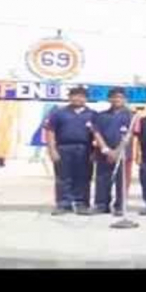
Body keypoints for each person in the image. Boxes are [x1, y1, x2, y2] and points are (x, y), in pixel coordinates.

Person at [45, 87, 97, 216]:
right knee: (63, 177)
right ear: (69, 97)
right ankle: (63, 203)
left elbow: (97, 134)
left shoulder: (93, 114)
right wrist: (52, 149)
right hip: (63, 148)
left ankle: (81, 204)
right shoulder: (59, 113)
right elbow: (50, 131)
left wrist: (95, 152)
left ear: (86, 99)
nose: (77, 99)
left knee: (83, 177)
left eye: (81, 96)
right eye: (74, 96)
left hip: (85, 149)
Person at [90, 87, 133, 216]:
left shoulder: (131, 116)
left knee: (122, 180)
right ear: (109, 99)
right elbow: (96, 132)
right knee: (102, 179)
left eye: (120, 97)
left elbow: (129, 134)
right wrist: (106, 150)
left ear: (125, 99)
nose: (117, 100)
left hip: (123, 154)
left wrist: (117, 151)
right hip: (104, 153)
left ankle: (120, 206)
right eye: (114, 97)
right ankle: (101, 205)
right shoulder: (101, 116)